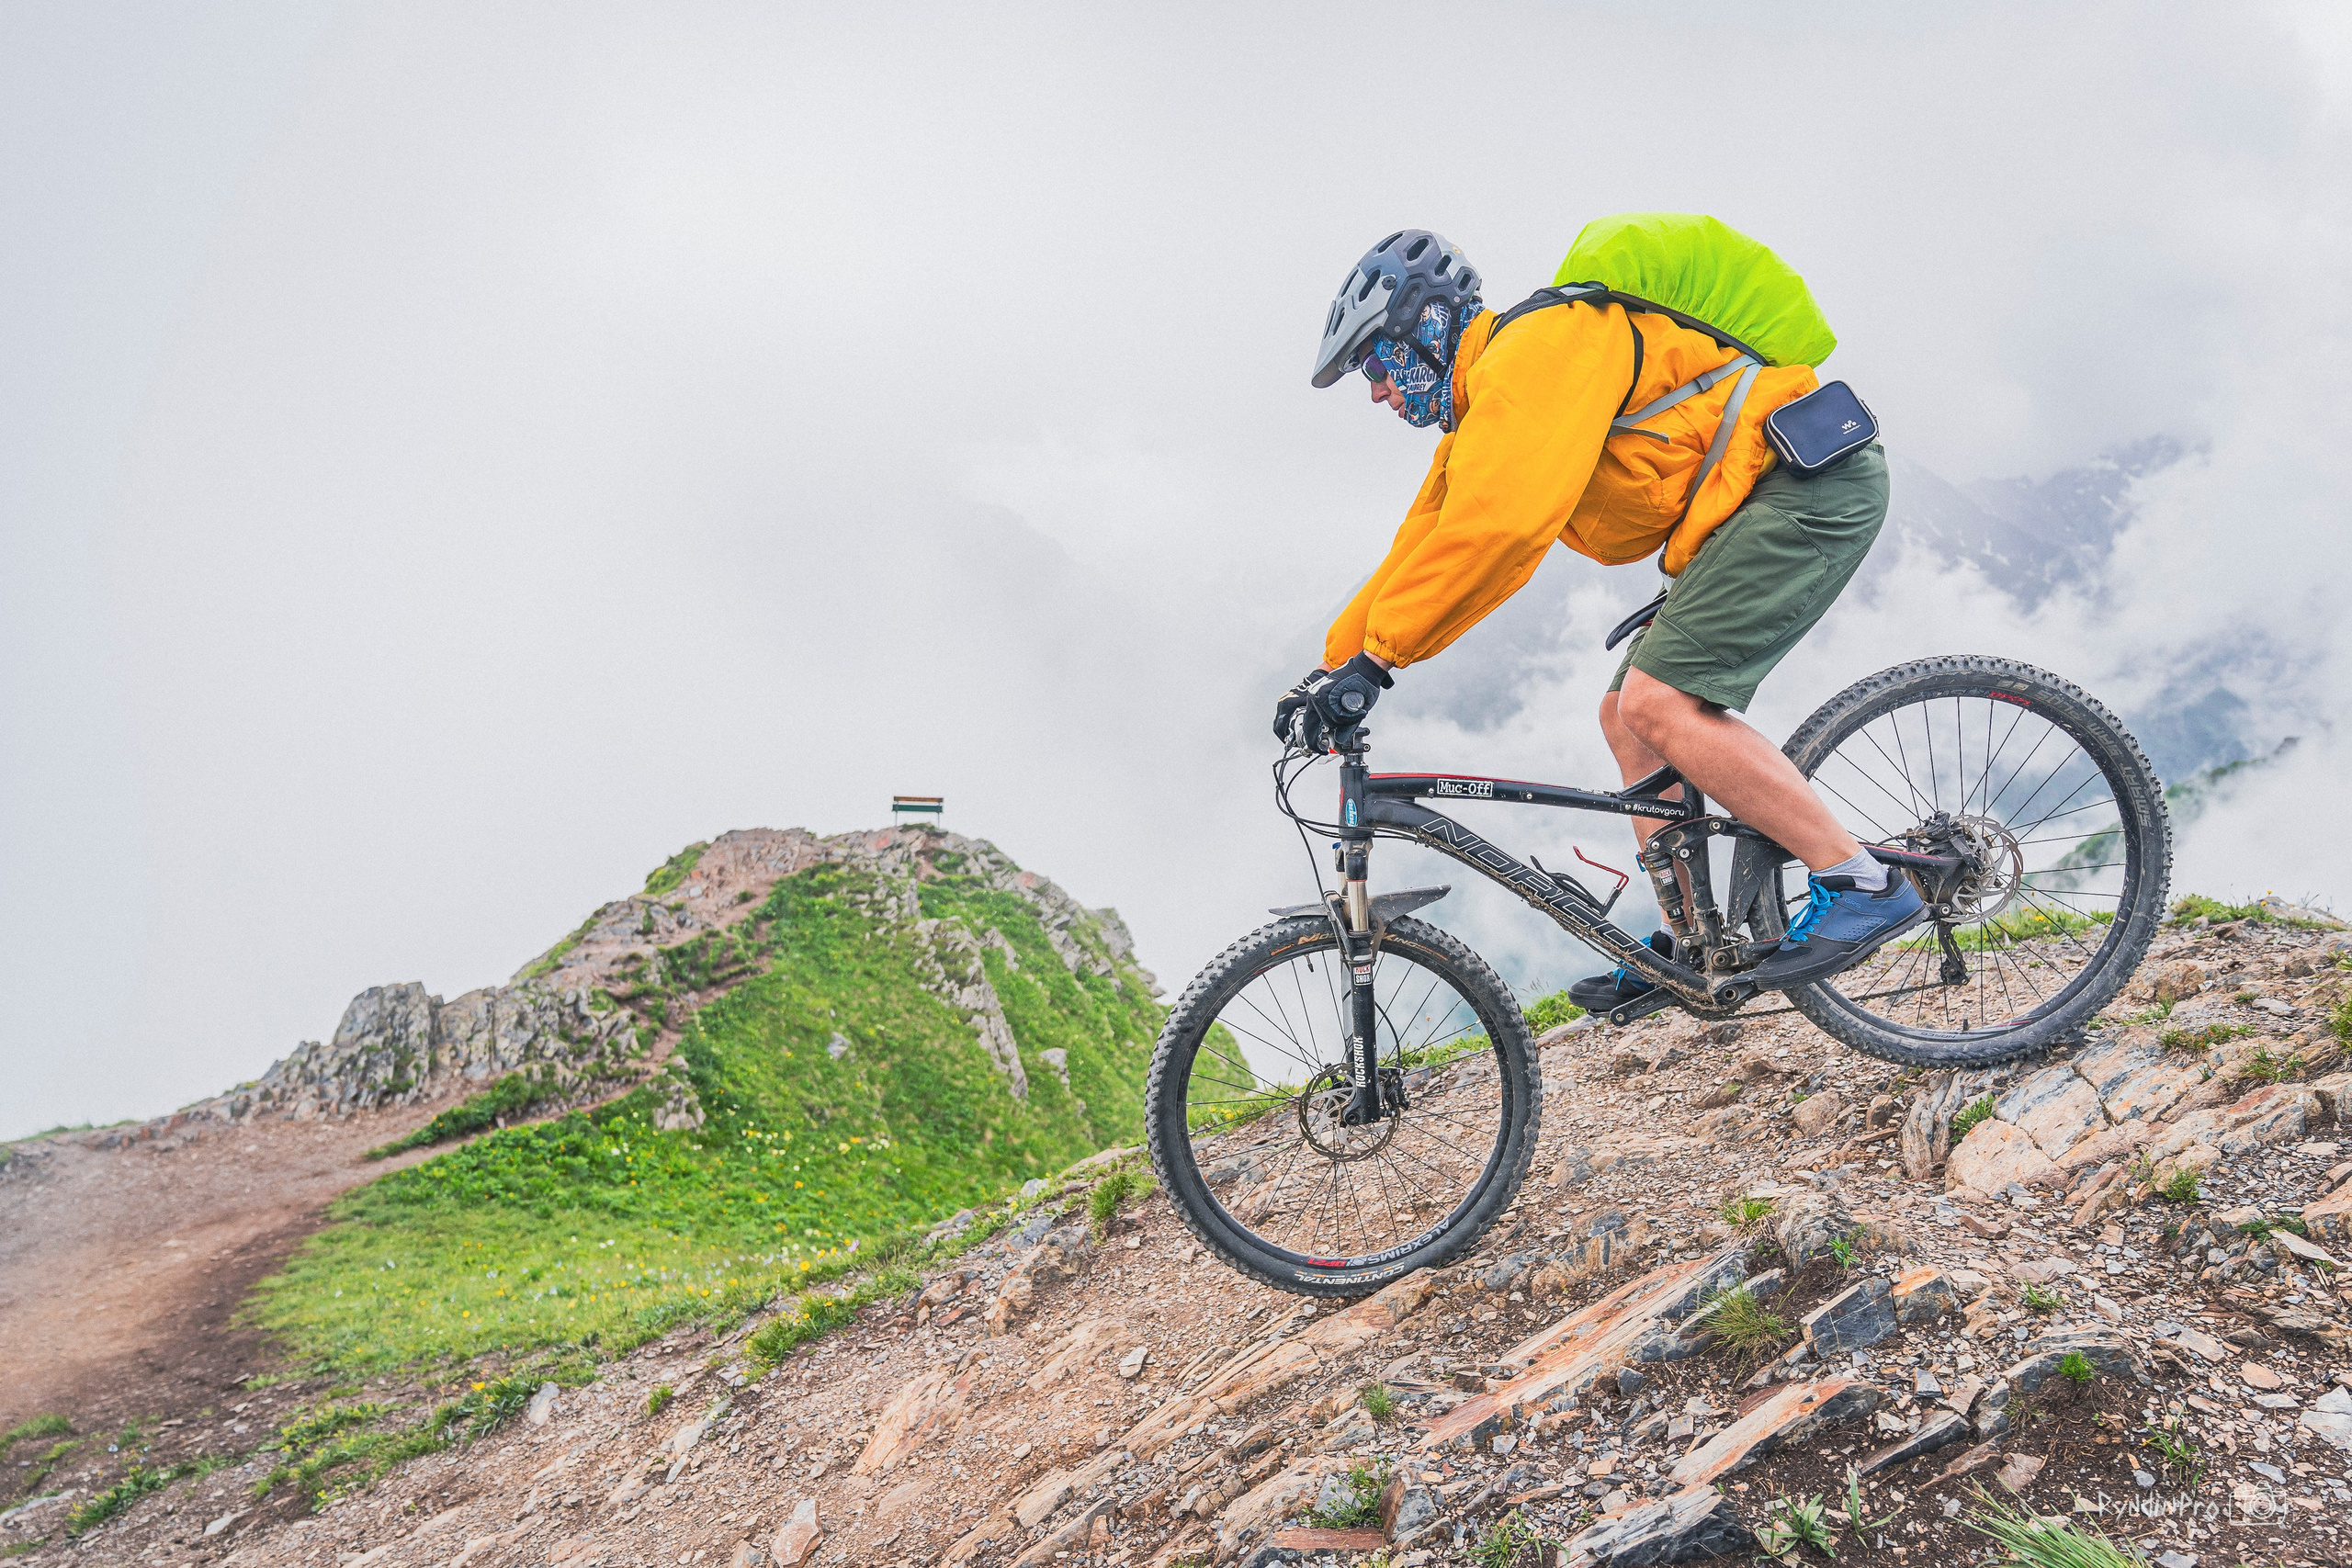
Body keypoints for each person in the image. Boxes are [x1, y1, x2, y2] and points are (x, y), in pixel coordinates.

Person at [1273, 228, 1921, 995]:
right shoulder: (1486, 407)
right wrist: (1334, 662)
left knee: (1658, 702)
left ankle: (1864, 883)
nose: (1378, 390)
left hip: (1806, 486)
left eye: (1377, 362)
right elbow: (1424, 541)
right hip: (1743, 510)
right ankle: (1694, 945)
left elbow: (1501, 529)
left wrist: (1378, 662)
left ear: (1428, 324)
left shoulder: (1536, 352)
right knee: (1626, 714)